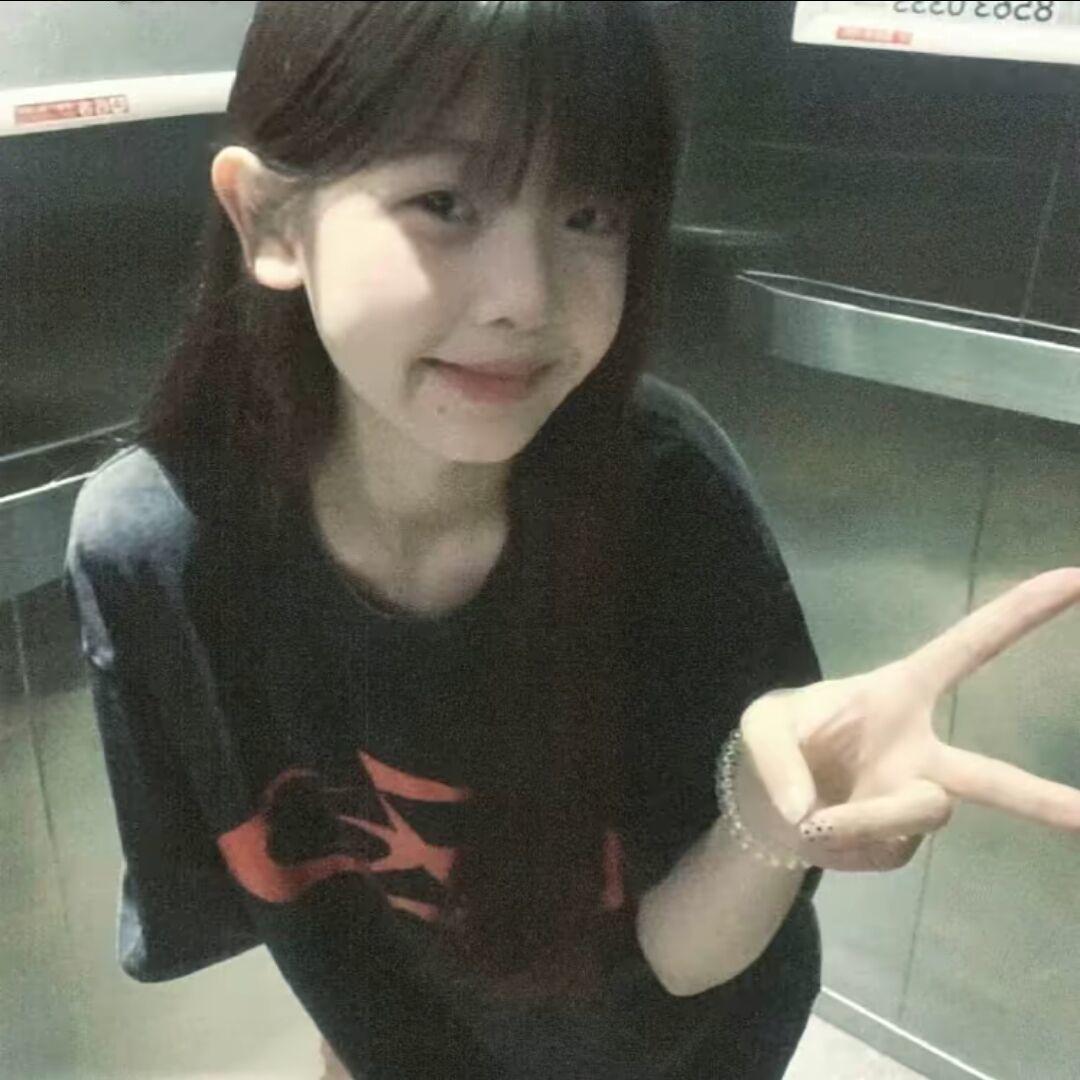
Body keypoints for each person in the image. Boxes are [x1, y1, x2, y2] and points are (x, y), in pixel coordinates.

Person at [63, 3, 1080, 1078]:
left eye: (589, 214)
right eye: (444, 203)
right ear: (272, 220)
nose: (527, 298)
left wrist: (767, 825)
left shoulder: (665, 501)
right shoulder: (160, 555)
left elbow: (679, 964)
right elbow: (318, 915)